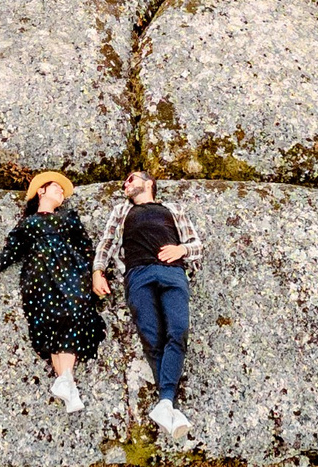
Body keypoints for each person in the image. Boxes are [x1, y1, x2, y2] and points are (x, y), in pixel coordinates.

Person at [0, 170, 105, 413]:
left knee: (74, 313)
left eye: (62, 191)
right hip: (39, 275)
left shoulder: (68, 217)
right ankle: (68, 386)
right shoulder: (27, 223)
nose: (61, 192)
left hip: (71, 271)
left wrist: (96, 273)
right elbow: (12, 249)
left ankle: (66, 382)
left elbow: (85, 246)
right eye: (56, 187)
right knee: (49, 323)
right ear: (41, 191)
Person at [92, 169, 201, 440]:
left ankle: (166, 403)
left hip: (172, 272)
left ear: (149, 183)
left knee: (178, 331)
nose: (126, 184)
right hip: (137, 274)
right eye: (124, 182)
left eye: (131, 179)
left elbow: (196, 244)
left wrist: (181, 249)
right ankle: (167, 404)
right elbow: (107, 243)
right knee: (151, 337)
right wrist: (98, 271)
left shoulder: (172, 209)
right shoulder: (121, 211)